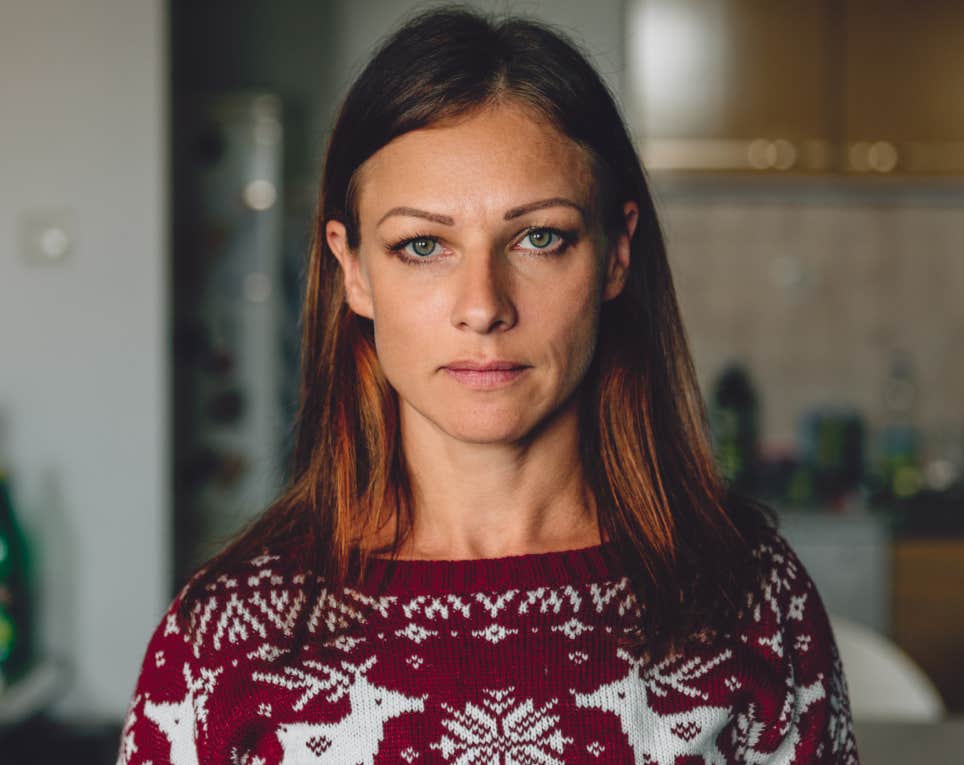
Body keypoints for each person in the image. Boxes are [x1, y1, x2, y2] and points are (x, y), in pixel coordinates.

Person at [117, 7, 858, 764]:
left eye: (540, 237)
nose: (483, 305)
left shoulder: (751, 597)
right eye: (423, 245)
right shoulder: (223, 636)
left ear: (615, 253)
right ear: (354, 270)